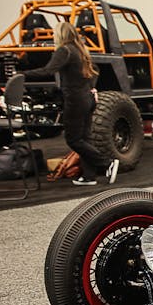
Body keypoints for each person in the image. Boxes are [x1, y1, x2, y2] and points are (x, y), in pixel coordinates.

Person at [22, 21, 118, 185]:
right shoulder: (81, 49)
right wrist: (92, 88)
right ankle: (89, 177)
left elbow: (48, 70)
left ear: (60, 35)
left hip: (75, 100)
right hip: (87, 98)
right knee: (85, 139)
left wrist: (22, 74)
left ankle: (107, 163)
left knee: (73, 140)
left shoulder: (64, 50)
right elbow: (95, 70)